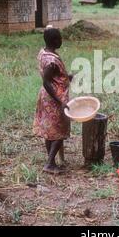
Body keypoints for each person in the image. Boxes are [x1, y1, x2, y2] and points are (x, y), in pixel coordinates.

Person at [33, 27, 73, 174]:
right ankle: (49, 164)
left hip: (47, 97)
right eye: (60, 38)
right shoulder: (51, 61)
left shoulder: (44, 53)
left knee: (51, 132)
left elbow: (53, 78)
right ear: (54, 40)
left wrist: (66, 78)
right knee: (59, 132)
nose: (61, 40)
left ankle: (52, 162)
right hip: (53, 99)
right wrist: (60, 101)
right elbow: (46, 82)